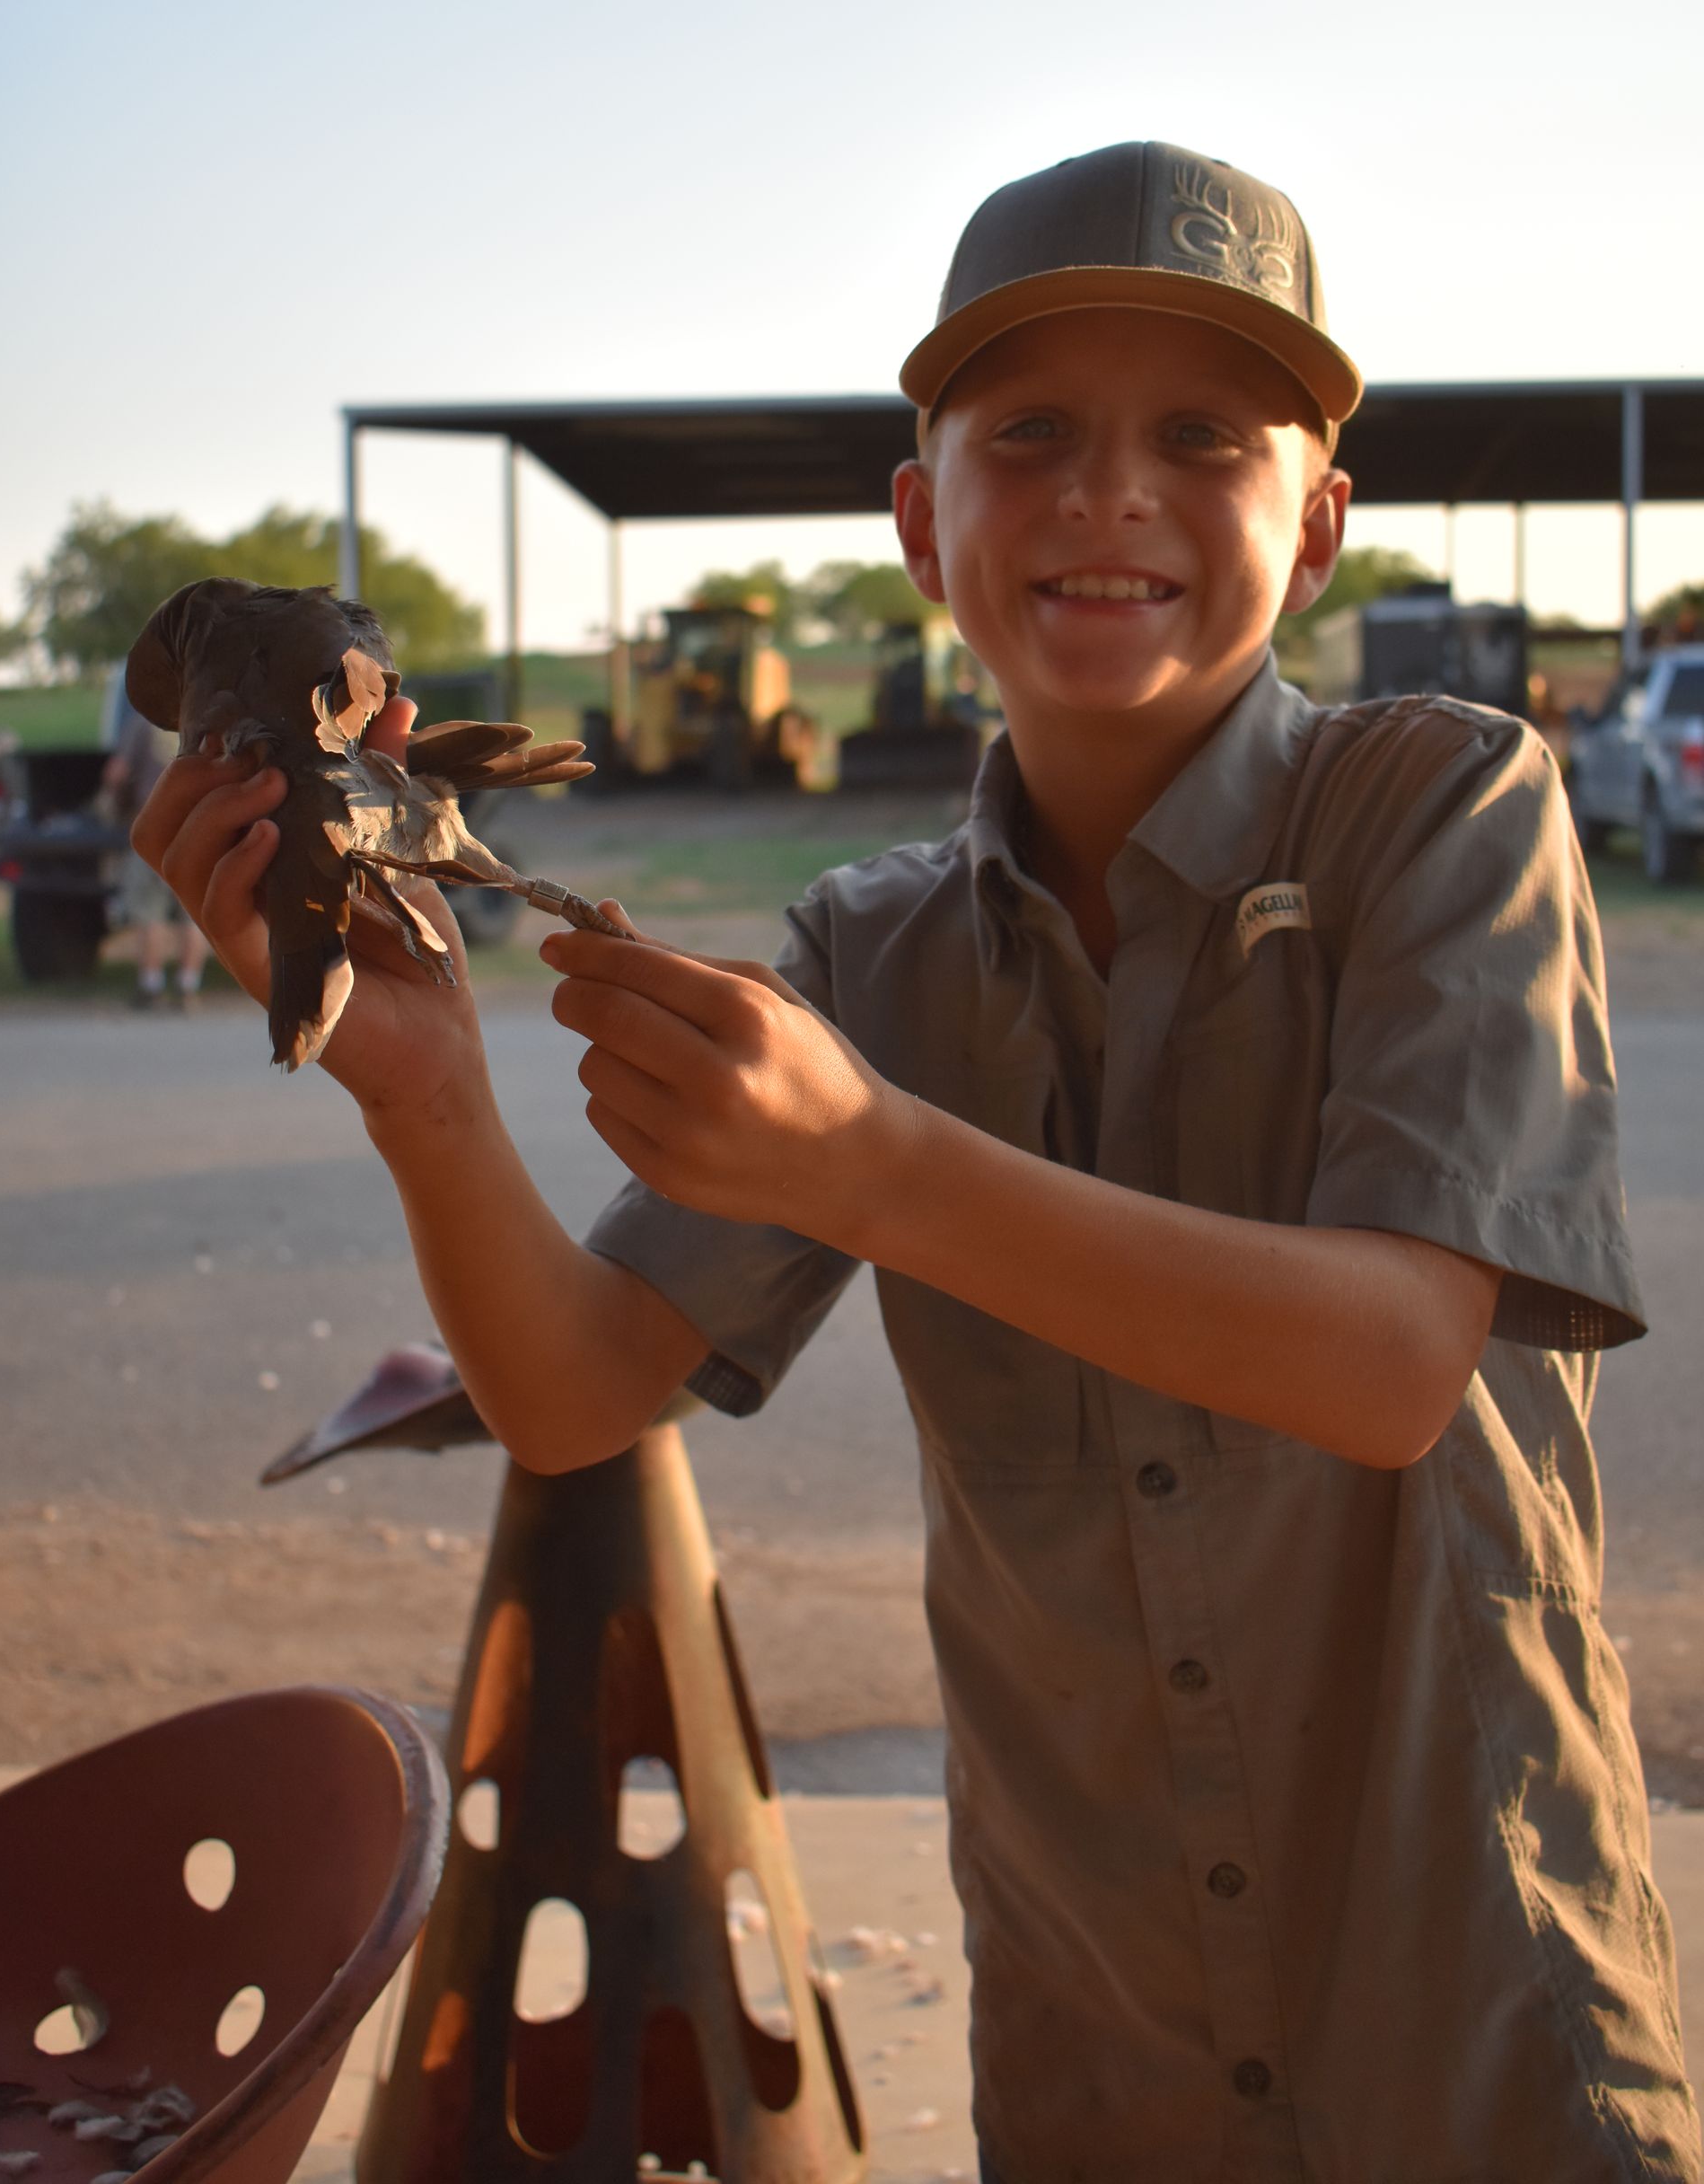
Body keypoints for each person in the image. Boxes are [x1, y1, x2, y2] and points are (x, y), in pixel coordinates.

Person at [135, 141, 1698, 2180]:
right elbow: (572, 1382)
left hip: (1476, 2018)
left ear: (1313, 529)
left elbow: (1391, 1362)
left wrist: (873, 1165)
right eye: (1026, 432)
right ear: (918, 521)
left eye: (1201, 439)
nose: (1105, 492)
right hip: (1095, 2043)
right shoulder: (872, 950)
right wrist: (419, 1085)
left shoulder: (1440, 812)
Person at [105, 701, 208, 1008]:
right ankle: (188, 988)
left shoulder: (143, 724)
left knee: (149, 913)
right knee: (192, 916)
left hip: (153, 831)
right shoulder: (207, 724)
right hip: (195, 832)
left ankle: (150, 986)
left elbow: (117, 774)